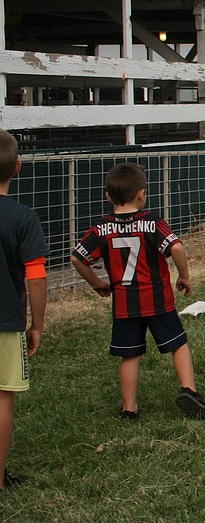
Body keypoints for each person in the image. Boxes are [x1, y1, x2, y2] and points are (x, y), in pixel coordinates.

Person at [70, 162, 205, 420]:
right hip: (157, 300)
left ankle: (129, 408)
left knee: (130, 355)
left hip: (125, 304)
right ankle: (189, 390)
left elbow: (77, 258)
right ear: (142, 194)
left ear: (108, 196)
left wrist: (96, 282)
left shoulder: (100, 228)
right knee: (178, 344)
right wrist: (184, 275)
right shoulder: (153, 223)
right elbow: (177, 248)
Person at [0, 129, 48, 490]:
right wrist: (38, 324)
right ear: (18, 167)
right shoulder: (23, 217)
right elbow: (36, 277)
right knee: (3, 398)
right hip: (6, 321)